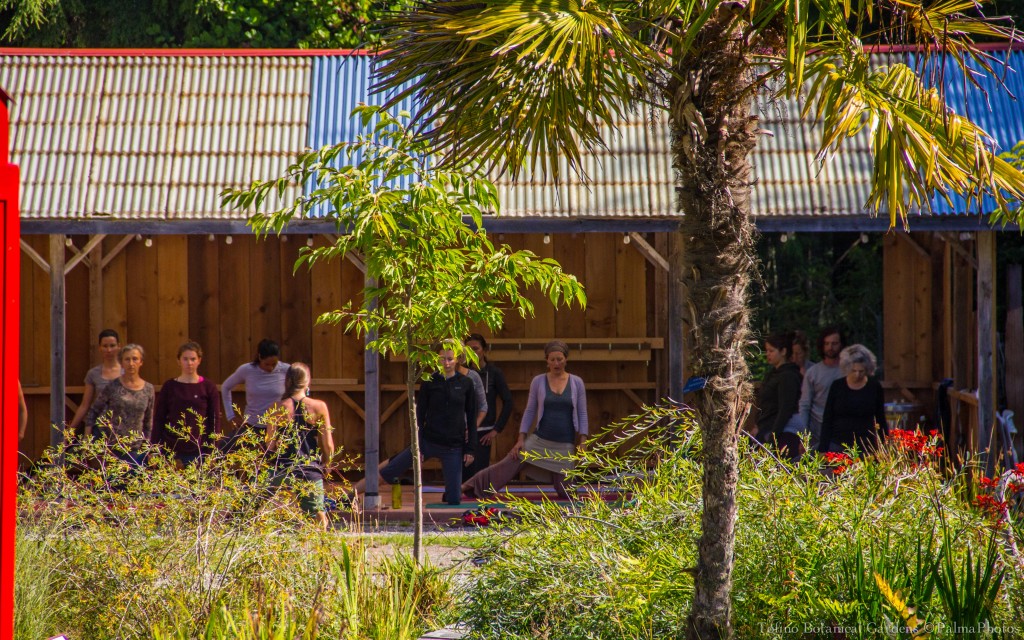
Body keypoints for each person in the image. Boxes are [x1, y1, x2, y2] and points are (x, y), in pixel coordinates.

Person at [463, 340, 588, 501]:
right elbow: (529, 411)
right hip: (539, 440)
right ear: (547, 361)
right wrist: (521, 438)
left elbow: (582, 413)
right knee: (510, 461)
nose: (556, 363)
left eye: (560, 359)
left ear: (566, 360)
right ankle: (472, 484)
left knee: (566, 493)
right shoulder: (539, 381)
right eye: (552, 360)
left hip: (565, 444)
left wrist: (583, 440)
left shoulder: (576, 382)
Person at [369, 344, 478, 506]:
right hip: (428, 440)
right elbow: (419, 416)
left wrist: (470, 448)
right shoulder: (429, 381)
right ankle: (354, 493)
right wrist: (417, 444)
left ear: (457, 360)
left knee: (455, 499)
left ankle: (449, 492)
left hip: (453, 445)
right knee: (389, 471)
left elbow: (472, 416)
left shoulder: (466, 383)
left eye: (450, 359)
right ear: (436, 359)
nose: (446, 363)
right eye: (442, 359)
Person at [266, 363, 335, 530]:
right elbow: (328, 444)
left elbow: (270, 444)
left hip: (282, 468)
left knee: (259, 502)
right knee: (318, 516)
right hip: (309, 468)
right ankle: (320, 550)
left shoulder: (276, 408)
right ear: (307, 381)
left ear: (288, 381)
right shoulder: (319, 407)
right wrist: (328, 463)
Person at [85, 344, 155, 467]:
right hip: (113, 448)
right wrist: (88, 438)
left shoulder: (148, 389)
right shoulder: (112, 386)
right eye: (127, 359)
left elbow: (148, 421)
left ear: (141, 362)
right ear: (121, 363)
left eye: (135, 359)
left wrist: (147, 448)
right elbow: (94, 411)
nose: (131, 363)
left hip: (136, 449)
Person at [152, 341, 220, 467]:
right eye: (185, 359)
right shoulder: (170, 387)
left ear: (199, 360)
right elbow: (159, 419)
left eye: (193, 359)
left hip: (199, 449)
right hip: (172, 449)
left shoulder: (208, 387)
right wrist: (154, 448)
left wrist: (212, 450)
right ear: (179, 361)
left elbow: (214, 421)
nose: (189, 363)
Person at [818, 344, 888, 455]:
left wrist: (883, 446)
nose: (857, 374)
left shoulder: (874, 387)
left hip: (865, 445)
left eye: (861, 371)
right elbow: (828, 418)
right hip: (838, 444)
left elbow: (880, 418)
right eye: (854, 371)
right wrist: (823, 448)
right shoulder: (837, 386)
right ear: (847, 368)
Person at [220, 339, 289, 444]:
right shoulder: (247, 370)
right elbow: (225, 387)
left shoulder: (286, 369)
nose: (270, 368)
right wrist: (230, 416)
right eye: (267, 364)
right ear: (260, 357)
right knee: (223, 450)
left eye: (274, 364)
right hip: (252, 425)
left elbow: (300, 389)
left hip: (278, 427)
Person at [464, 334, 514, 477]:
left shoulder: (494, 373)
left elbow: (508, 401)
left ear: (484, 350)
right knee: (464, 474)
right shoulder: (462, 373)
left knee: (479, 474)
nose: (473, 353)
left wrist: (496, 429)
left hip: (483, 432)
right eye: (468, 350)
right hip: (464, 431)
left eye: (476, 349)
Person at [754, 332, 803, 459]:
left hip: (782, 430)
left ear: (783, 351)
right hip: (766, 426)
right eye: (767, 350)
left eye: (771, 350)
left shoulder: (788, 376)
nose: (768, 354)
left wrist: (773, 437)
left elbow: (785, 409)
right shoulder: (773, 374)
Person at [68, 329, 122, 437]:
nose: (109, 350)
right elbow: (85, 405)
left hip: (122, 428)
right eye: (105, 346)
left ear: (119, 346)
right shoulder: (93, 374)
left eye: (112, 345)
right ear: (100, 348)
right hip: (100, 427)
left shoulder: (127, 372)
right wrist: (70, 431)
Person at [798, 327, 845, 450]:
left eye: (834, 343)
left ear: (841, 345)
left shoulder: (848, 371)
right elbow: (804, 405)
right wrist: (803, 435)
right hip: (817, 430)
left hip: (842, 430)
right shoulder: (812, 373)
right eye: (827, 344)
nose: (830, 347)